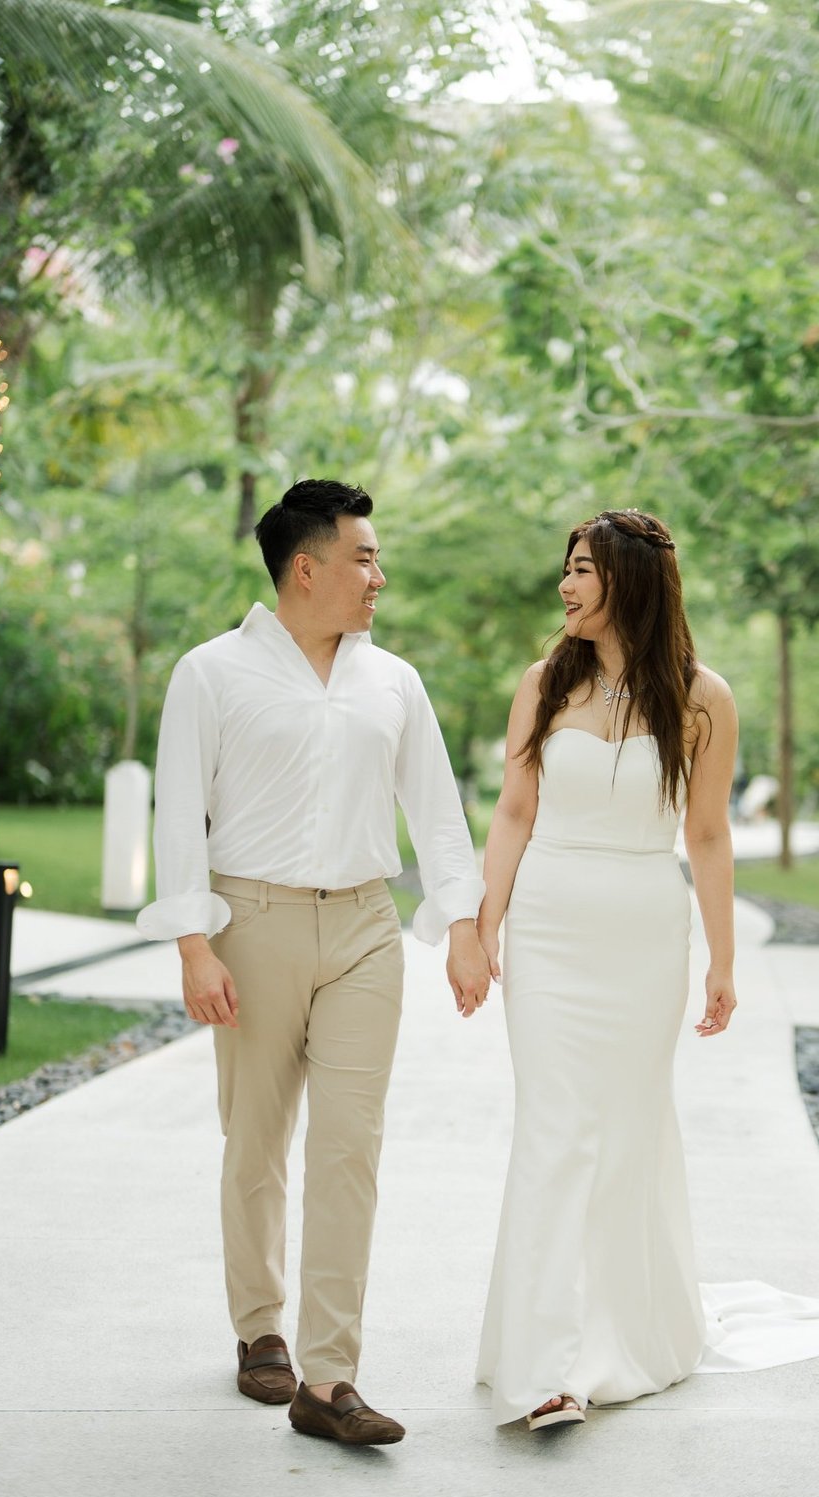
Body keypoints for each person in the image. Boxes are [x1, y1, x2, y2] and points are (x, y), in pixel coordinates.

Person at [137, 478, 489, 1447]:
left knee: (348, 1150)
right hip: (252, 923)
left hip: (367, 928)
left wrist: (459, 922)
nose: (379, 573)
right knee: (254, 1140)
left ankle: (330, 1377)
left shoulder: (394, 680)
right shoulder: (209, 673)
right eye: (363, 556)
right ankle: (260, 1327)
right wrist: (193, 943)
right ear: (306, 567)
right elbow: (180, 812)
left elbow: (437, 808)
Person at [474, 509, 819, 1429]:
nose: (565, 585)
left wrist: (722, 957)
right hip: (550, 930)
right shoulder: (542, 683)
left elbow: (708, 834)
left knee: (628, 1127)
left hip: (644, 935)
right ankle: (546, 1359)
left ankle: (621, 1337)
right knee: (555, 1127)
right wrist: (483, 926)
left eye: (584, 570)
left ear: (631, 581)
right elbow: (515, 809)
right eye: (565, 567)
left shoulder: (702, 696)